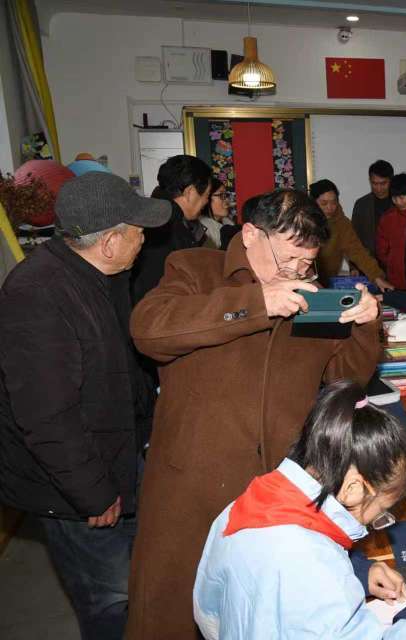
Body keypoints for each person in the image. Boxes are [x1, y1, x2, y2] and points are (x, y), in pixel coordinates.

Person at [126, 188, 383, 639]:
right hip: (192, 490)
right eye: (289, 258)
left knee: (260, 616)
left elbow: (344, 380)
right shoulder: (195, 269)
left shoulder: (311, 297)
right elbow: (149, 330)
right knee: (169, 614)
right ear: (250, 235)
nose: (298, 272)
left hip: (272, 496)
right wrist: (258, 302)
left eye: (307, 263)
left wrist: (366, 327)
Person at [0, 172, 172, 640]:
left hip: (114, 463)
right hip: (77, 490)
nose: (144, 240)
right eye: (137, 231)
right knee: (110, 602)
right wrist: (92, 493)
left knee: (138, 585)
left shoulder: (102, 276)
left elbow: (121, 371)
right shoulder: (37, 295)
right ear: (110, 242)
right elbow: (46, 416)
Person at [194, 380, 406, 640]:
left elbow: (210, 611)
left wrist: (357, 571)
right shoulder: (315, 569)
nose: (375, 522)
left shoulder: (244, 508)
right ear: (353, 488)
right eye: (381, 512)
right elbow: (309, 579)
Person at [132, 154, 212, 303]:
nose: (206, 202)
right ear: (190, 192)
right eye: (206, 196)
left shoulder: (151, 215)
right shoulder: (167, 227)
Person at [309, 179, 394, 290]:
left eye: (334, 202)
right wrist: (310, 278)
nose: (330, 207)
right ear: (313, 203)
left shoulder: (342, 223)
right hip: (303, 279)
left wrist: (377, 277)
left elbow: (357, 251)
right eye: (324, 203)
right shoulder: (303, 221)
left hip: (327, 281)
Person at [376, 173, 406, 289]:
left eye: (402, 197)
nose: (398, 202)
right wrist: (393, 263)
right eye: (394, 198)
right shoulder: (387, 218)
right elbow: (381, 250)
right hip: (395, 281)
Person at [352, 159, 394, 260]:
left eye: (383, 183)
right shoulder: (361, 204)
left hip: (395, 261)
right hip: (369, 262)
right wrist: (355, 264)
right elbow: (354, 239)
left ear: (391, 180)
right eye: (374, 183)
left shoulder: (400, 202)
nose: (379, 188)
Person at [198, 178, 234, 249]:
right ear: (207, 197)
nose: (227, 200)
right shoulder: (201, 229)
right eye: (221, 195)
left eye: (226, 195)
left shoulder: (228, 223)